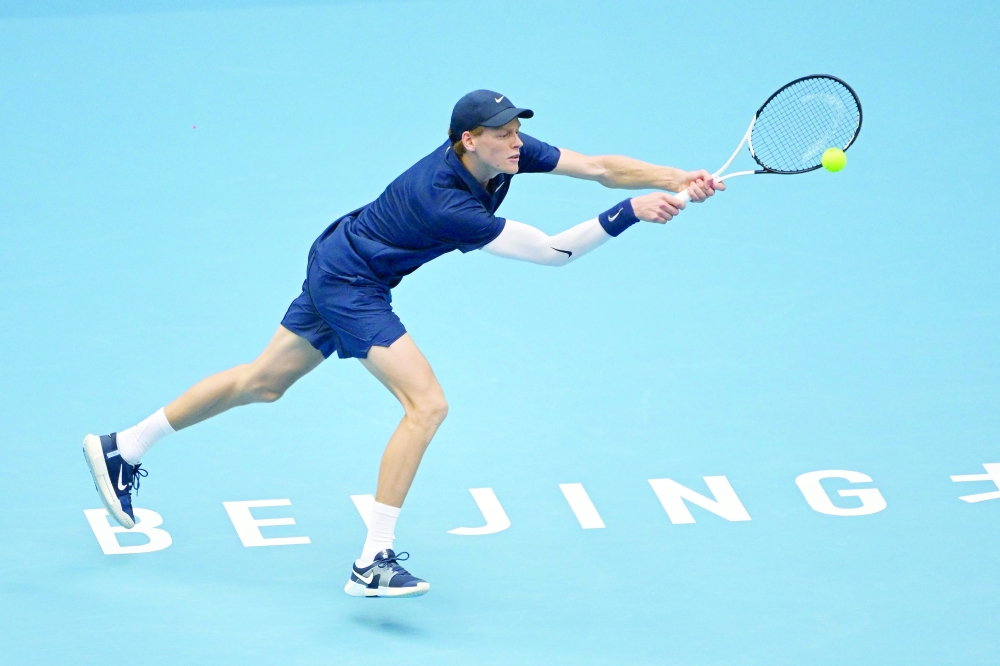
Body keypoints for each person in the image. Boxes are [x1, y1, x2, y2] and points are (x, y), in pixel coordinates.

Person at [83, 89, 722, 598]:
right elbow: (554, 253)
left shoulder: (501, 154)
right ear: (468, 141)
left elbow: (600, 167)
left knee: (263, 383)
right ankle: (372, 562)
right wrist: (631, 214)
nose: (516, 142)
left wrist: (675, 177)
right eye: (503, 134)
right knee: (428, 406)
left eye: (517, 131)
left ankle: (124, 445)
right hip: (352, 282)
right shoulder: (447, 202)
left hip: (344, 255)